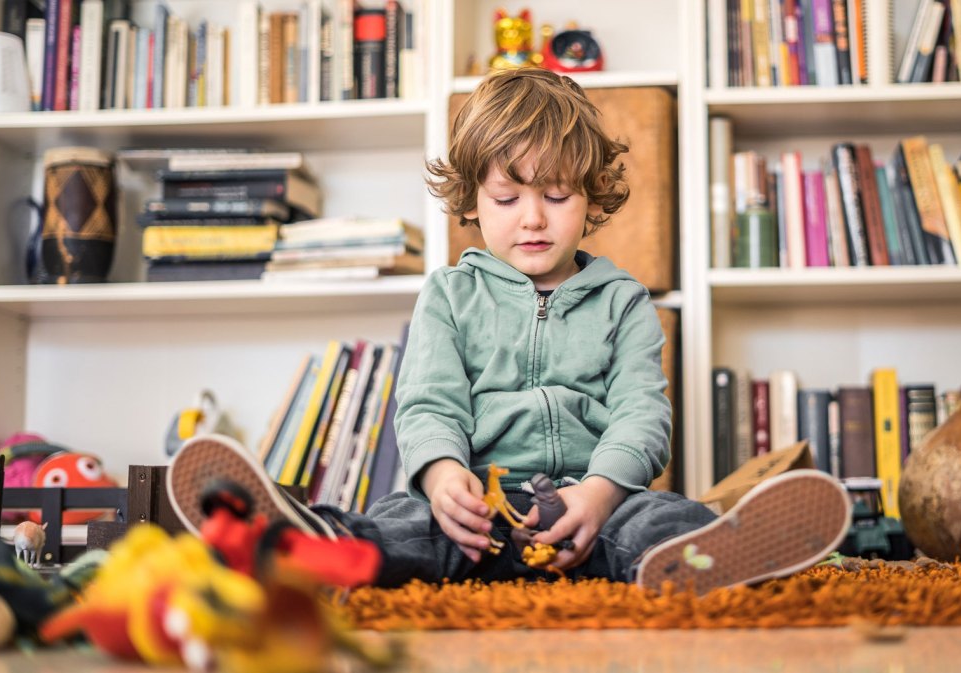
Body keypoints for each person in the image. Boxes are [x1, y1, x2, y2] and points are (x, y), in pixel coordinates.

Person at [167, 68, 851, 596]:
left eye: (557, 197)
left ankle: (714, 557)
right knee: (406, 527)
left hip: (590, 506)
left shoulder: (622, 300)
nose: (533, 219)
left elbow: (643, 416)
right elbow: (429, 404)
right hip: (478, 508)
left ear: (591, 198)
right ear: (471, 199)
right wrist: (441, 478)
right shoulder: (449, 292)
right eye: (508, 197)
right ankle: (309, 542)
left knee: (659, 518)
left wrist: (602, 491)